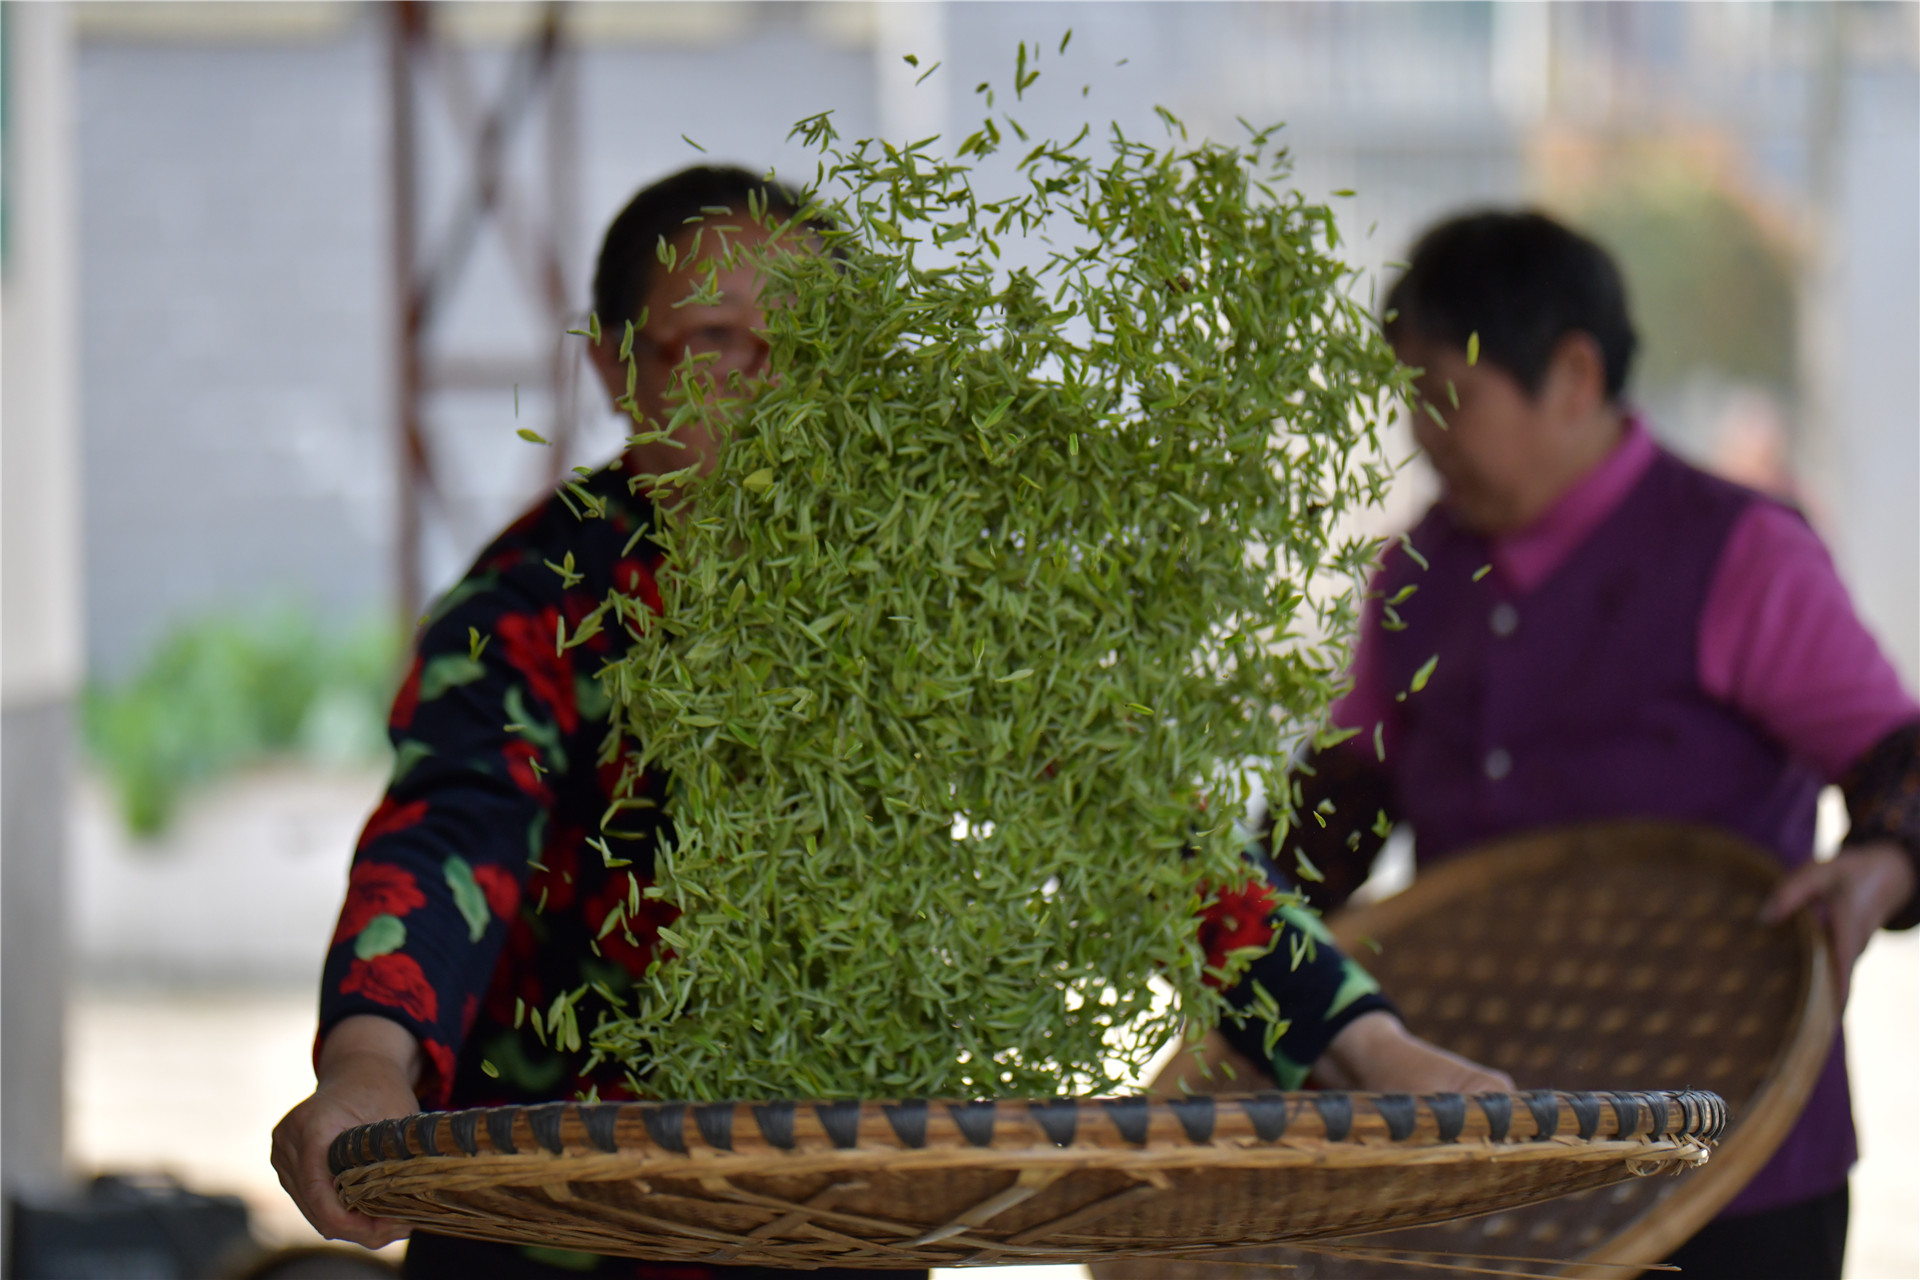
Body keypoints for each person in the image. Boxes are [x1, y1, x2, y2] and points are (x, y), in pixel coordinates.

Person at [271, 165, 1511, 1279]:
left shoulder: (935, 600)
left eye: (809, 349)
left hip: (836, 1212)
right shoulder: (536, 601)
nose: (764, 392)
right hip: (563, 1214)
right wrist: (370, 1067)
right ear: (613, 364)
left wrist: (1370, 1047)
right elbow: (451, 836)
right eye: (710, 344)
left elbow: (1145, 845)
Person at [1278, 210, 1920, 1280]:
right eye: (1408, 397)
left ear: (1573, 374)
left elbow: (1901, 758)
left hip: (1735, 1142)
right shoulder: (1415, 576)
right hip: (1494, 1158)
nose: (1421, 433)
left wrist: (1884, 860)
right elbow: (1331, 816)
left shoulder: (1738, 551)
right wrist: (1227, 918)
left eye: (1450, 394)